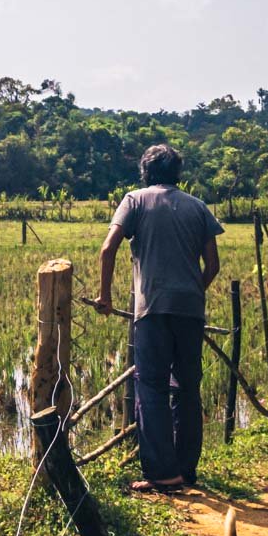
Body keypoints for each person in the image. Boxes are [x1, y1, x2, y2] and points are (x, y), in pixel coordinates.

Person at [93, 143, 223, 493]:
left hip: (151, 310)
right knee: (187, 388)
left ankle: (162, 474)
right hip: (190, 310)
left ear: (145, 171)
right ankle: (185, 470)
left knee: (150, 388)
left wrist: (105, 296)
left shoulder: (134, 200)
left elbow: (108, 249)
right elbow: (213, 265)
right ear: (177, 173)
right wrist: (193, 291)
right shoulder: (198, 207)